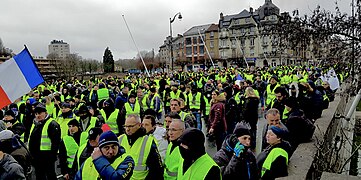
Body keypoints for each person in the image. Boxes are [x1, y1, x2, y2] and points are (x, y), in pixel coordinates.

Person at [118, 114, 164, 179]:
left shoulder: (148, 141)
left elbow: (156, 169)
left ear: (139, 125)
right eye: (125, 126)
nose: (127, 129)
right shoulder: (120, 139)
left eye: (131, 126)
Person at [28, 103, 61, 180]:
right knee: (39, 175)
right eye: (36, 114)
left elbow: (56, 142)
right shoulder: (34, 124)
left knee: (50, 175)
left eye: (39, 113)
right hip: (36, 156)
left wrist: (52, 156)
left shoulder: (52, 124)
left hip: (47, 156)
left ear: (45, 113)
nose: (37, 115)